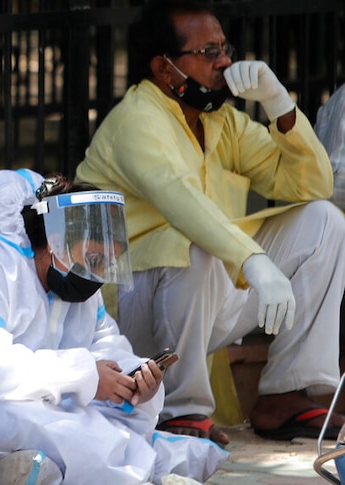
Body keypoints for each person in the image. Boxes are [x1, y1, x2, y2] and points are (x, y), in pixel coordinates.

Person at [75, 0, 345, 446]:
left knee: (324, 222)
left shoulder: (221, 120)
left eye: (224, 48)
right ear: (165, 69)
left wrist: (280, 105)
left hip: (196, 299)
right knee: (194, 242)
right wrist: (254, 260)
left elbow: (313, 185)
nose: (225, 62)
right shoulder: (137, 120)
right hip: (123, 315)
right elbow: (183, 203)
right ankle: (180, 413)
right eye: (207, 53)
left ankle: (289, 394)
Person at [0, 169, 227, 484]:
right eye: (93, 258)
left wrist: (135, 382)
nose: (99, 271)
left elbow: (107, 348)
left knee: (100, 429)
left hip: (38, 405)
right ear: (53, 240)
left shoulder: (76, 286)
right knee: (58, 428)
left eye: (106, 262)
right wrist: (87, 378)